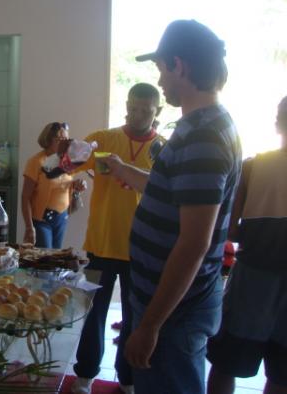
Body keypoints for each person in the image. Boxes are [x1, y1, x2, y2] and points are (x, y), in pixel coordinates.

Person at [101, 20, 241, 394]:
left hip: (174, 314)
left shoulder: (204, 137)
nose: (160, 81)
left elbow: (194, 243)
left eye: (162, 69)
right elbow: (169, 191)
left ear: (179, 66)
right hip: (171, 306)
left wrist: (149, 325)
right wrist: (123, 169)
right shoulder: (199, 126)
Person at [72, 83, 163, 394]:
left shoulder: (163, 149)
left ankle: (128, 380)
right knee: (92, 314)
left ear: (158, 112)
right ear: (126, 104)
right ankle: (84, 377)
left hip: (142, 251)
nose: (138, 115)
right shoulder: (105, 139)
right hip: (100, 246)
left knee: (134, 319)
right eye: (133, 107)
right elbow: (70, 164)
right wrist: (67, 154)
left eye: (146, 111)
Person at [207, 96, 287, 394]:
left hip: (254, 277)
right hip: (255, 277)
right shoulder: (251, 166)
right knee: (281, 372)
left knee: (227, 361)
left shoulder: (254, 167)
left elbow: (228, 226)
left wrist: (259, 235)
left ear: (278, 121)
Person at [21, 122, 85, 249]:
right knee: (44, 261)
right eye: (59, 140)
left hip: (62, 218)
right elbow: (25, 197)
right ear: (48, 140)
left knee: (55, 262)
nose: (65, 143)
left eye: (67, 140)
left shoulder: (67, 161)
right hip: (42, 221)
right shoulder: (36, 162)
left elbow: (64, 185)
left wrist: (77, 186)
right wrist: (29, 227)